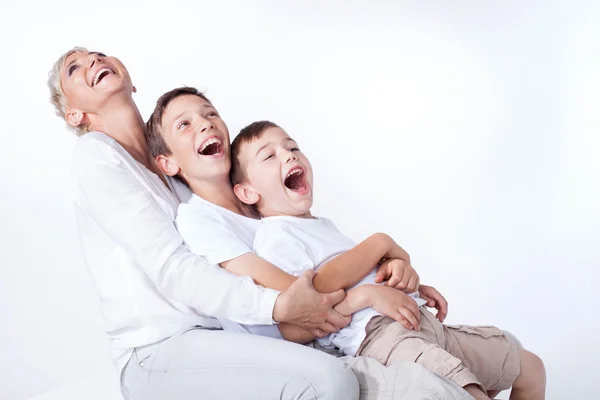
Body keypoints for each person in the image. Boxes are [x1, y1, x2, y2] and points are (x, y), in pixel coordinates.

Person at [48, 48, 473, 399]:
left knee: (402, 379)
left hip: (233, 335)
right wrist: (284, 305)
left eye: (98, 54)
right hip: (159, 349)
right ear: (73, 115)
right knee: (329, 380)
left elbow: (301, 251)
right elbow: (173, 270)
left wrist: (396, 276)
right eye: (75, 67)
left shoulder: (185, 173)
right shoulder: (97, 159)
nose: (92, 61)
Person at [143, 86, 476, 399]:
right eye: (185, 124)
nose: (204, 124)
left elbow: (326, 259)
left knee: (482, 365)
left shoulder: (261, 197)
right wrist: (378, 253)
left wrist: (395, 272)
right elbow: (304, 294)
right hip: (293, 351)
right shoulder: (199, 218)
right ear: (168, 163)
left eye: (210, 114)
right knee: (436, 387)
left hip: (338, 334)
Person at [224, 120, 547, 400]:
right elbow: (303, 311)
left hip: (422, 322)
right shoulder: (276, 238)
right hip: (382, 337)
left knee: (530, 368)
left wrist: (400, 274)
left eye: (292, 146)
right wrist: (377, 257)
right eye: (270, 155)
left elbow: (361, 272)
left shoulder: (321, 226)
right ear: (248, 193)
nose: (289, 154)